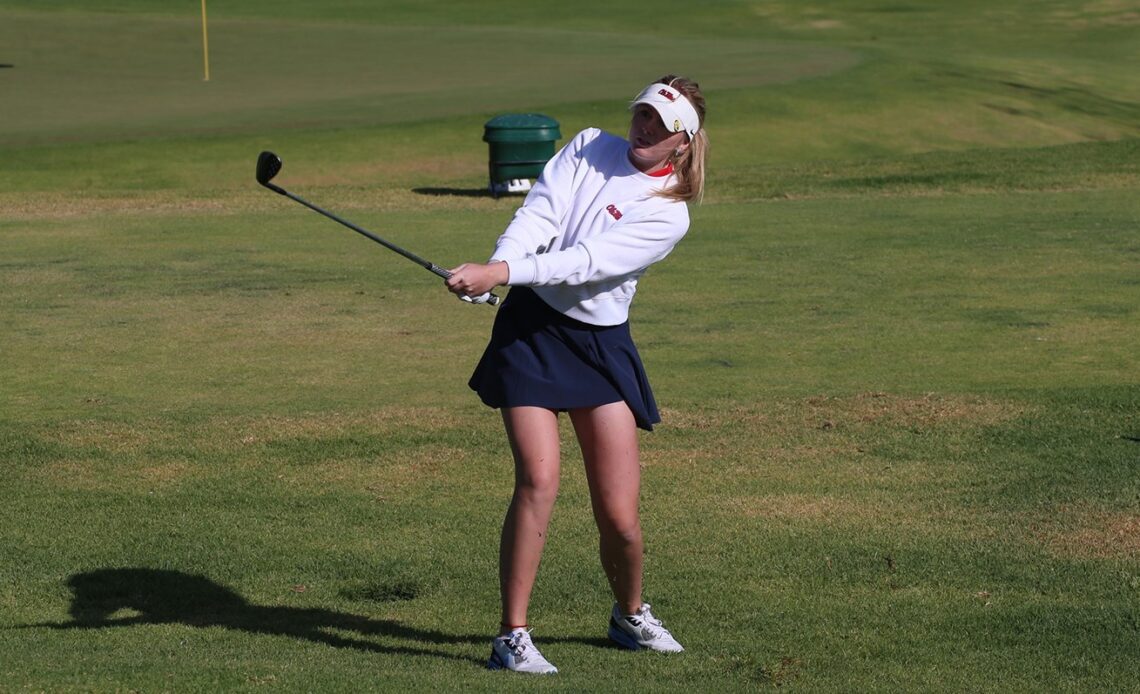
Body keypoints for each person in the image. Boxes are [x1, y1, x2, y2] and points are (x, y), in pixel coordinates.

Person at [445, 75, 707, 675]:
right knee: (538, 480)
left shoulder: (670, 215)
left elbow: (587, 264)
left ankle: (629, 614)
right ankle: (512, 636)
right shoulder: (589, 144)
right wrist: (497, 265)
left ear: (682, 144)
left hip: (598, 345)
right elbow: (540, 213)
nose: (644, 129)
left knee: (619, 513)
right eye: (641, 115)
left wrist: (504, 271)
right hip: (532, 331)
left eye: (660, 126)